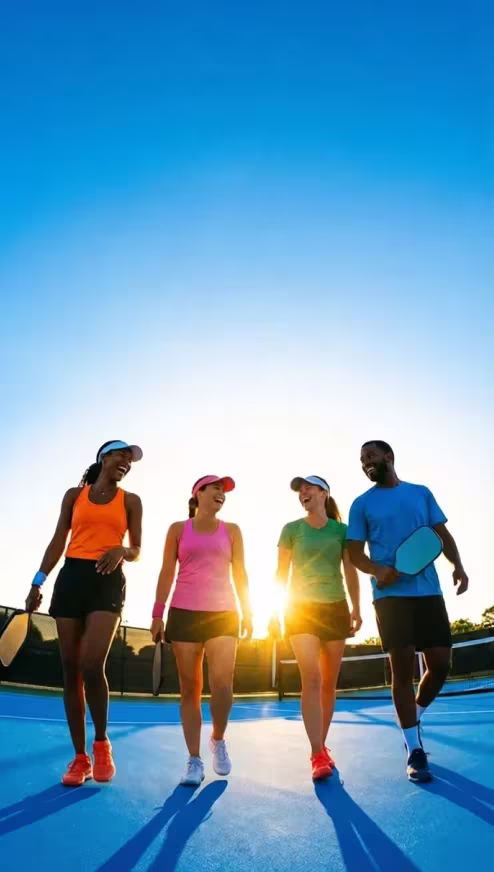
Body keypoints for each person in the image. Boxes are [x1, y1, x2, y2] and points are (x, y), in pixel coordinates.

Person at [346, 440, 469, 783]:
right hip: (390, 600)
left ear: (388, 457)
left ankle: (411, 717)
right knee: (401, 673)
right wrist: (377, 570)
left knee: (441, 665)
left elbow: (440, 534)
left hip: (429, 592)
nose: (365, 462)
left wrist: (457, 565)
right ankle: (414, 749)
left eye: (370, 456)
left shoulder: (421, 493)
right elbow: (355, 554)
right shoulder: (362, 504)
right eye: (361, 459)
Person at [25, 440, 143, 786]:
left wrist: (121, 549)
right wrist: (37, 581)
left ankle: (102, 742)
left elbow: (136, 548)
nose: (126, 462)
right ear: (104, 457)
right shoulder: (73, 496)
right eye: (121, 455)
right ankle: (80, 758)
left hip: (107, 580)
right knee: (70, 669)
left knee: (92, 664)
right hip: (71, 578)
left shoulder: (131, 501)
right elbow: (58, 539)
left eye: (129, 460)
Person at [151, 475, 252, 786]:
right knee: (190, 689)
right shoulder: (178, 529)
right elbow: (167, 570)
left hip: (223, 613)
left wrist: (248, 611)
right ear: (198, 494)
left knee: (223, 684)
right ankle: (194, 760)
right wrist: (158, 612)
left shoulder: (232, 531)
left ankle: (218, 739)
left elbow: (240, 572)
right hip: (183, 613)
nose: (221, 494)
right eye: (215, 488)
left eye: (224, 491)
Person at [277, 475, 361, 781]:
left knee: (328, 683)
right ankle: (316, 753)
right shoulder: (291, 530)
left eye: (308, 488)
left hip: (335, 608)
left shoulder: (342, 531)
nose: (303, 493)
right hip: (301, 610)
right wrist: (275, 612)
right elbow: (280, 573)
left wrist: (356, 607)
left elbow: (350, 571)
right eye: (300, 490)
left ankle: (321, 745)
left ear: (324, 493)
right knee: (311, 678)